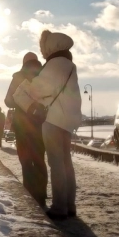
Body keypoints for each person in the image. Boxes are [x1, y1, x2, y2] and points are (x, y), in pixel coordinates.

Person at [13, 30, 81, 219]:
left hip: (52, 120)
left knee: (56, 162)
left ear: (51, 46)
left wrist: (28, 86)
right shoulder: (70, 65)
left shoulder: (54, 64)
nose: (43, 52)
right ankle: (70, 204)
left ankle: (59, 207)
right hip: (67, 121)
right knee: (67, 162)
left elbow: (38, 89)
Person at [6, 52, 47, 207]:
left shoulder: (18, 77)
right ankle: (41, 196)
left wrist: (20, 102)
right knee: (39, 160)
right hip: (40, 125)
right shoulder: (44, 76)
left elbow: (8, 100)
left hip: (22, 126)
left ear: (23, 62)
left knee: (26, 161)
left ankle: (29, 196)